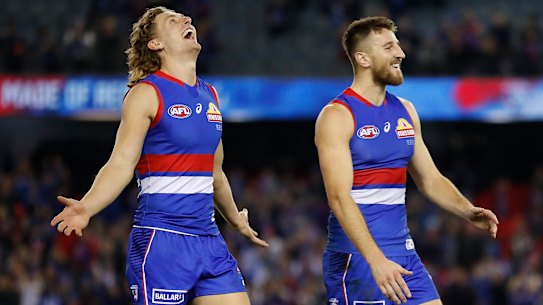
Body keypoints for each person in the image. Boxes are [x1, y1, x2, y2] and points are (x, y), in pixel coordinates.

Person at [50, 6, 268, 305]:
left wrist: (235, 220)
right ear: (156, 44)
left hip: (210, 242)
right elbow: (121, 163)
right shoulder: (146, 94)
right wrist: (87, 207)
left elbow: (215, 173)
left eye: (185, 17)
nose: (187, 20)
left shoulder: (211, 95)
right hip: (162, 241)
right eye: (173, 20)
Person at [315, 16, 499, 305]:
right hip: (358, 257)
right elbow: (338, 198)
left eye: (398, 46)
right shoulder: (337, 116)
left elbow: (429, 178)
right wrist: (376, 260)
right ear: (363, 58)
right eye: (389, 47)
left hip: (403, 252)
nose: (400, 53)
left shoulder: (406, 111)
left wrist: (467, 210)